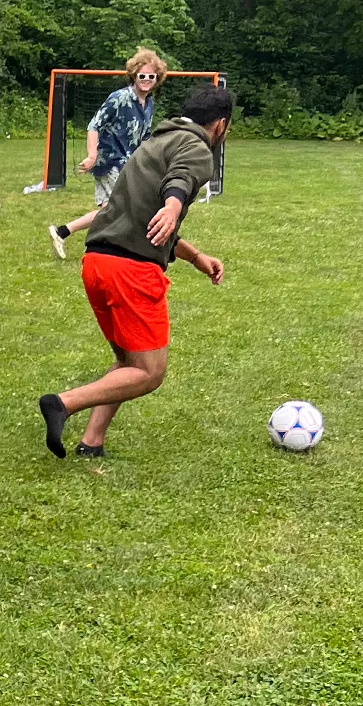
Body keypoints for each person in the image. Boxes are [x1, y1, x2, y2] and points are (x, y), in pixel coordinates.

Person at [38, 84, 234, 459]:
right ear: (220, 125)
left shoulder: (153, 143)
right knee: (149, 372)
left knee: (129, 360)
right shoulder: (196, 149)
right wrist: (175, 206)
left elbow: (144, 220)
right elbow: (181, 180)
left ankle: (92, 441)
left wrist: (196, 257)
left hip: (97, 262)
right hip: (131, 271)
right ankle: (62, 403)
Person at [46, 47, 166, 260]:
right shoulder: (119, 98)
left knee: (109, 210)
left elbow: (144, 137)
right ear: (134, 75)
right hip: (110, 161)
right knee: (121, 209)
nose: (146, 80)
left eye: (151, 76)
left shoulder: (149, 104)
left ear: (157, 78)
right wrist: (92, 156)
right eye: (142, 76)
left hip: (128, 162)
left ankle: (62, 232)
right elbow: (94, 126)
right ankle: (106, 249)